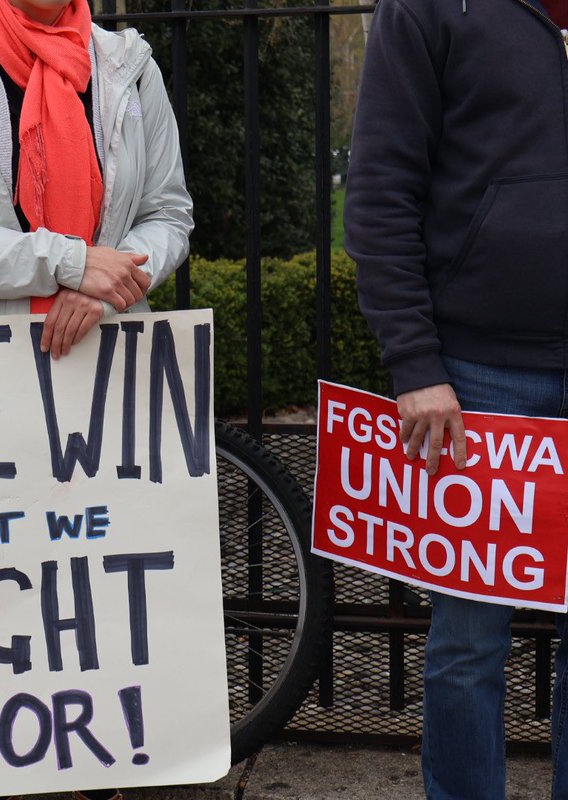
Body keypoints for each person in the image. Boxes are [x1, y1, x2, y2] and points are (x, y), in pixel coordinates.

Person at [0, 0, 193, 797]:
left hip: (105, 377)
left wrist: (117, 276)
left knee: (97, 627)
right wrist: (63, 262)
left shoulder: (129, 66)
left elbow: (168, 213)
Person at [344, 0, 568, 797]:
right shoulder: (427, 7)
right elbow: (379, 187)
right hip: (478, 377)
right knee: (470, 642)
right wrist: (414, 364)